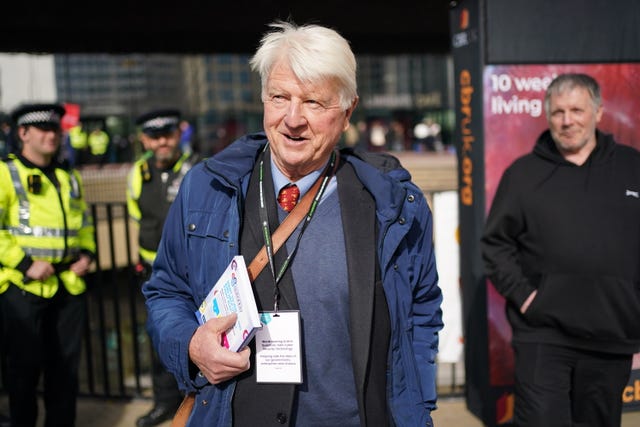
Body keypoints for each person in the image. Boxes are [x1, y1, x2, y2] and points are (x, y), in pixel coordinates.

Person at [142, 20, 443, 426]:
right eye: (279, 97)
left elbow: (422, 309)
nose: (292, 118)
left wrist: (415, 404)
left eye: (314, 103)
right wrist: (191, 345)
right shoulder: (206, 188)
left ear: (348, 110)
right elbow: (166, 291)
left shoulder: (393, 204)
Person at [481, 73, 640, 427]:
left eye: (577, 110)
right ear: (547, 115)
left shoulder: (632, 167)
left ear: (599, 113)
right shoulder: (523, 175)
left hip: (611, 336)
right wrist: (527, 298)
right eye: (558, 112)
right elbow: (495, 244)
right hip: (544, 334)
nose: (567, 121)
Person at [0, 103, 95, 427]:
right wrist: (25, 263)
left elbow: (83, 222)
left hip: (68, 286)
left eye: (55, 128)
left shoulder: (68, 175)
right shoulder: (5, 172)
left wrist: (87, 253)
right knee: (23, 374)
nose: (51, 135)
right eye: (42, 128)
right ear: (22, 133)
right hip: (24, 289)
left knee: (65, 373)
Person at [127, 108, 197, 427]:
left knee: (195, 342)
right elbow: (140, 219)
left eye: (167, 135)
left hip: (192, 275)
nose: (161, 143)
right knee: (158, 341)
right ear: (144, 140)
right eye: (154, 137)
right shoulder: (138, 173)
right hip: (154, 277)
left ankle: (194, 404)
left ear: (178, 133)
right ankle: (164, 404)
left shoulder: (197, 169)